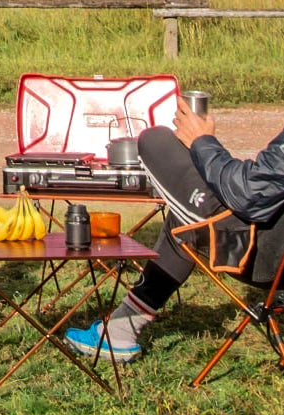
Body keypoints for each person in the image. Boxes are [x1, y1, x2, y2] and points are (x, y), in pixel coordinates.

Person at [65, 95, 284, 362]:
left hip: (255, 255)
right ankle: (119, 329)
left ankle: (120, 331)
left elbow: (248, 195)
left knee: (155, 140)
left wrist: (202, 142)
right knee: (184, 217)